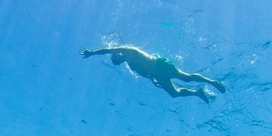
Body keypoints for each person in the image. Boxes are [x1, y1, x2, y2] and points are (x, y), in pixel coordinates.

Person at [81, 45, 226, 102]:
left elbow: (107, 50)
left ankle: (213, 82)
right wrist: (152, 79)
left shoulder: (128, 50)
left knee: (186, 78)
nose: (119, 61)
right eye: (117, 63)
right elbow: (145, 72)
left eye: (116, 58)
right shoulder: (130, 65)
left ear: (118, 54)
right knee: (174, 94)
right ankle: (198, 93)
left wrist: (92, 52)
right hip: (157, 75)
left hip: (160, 65)